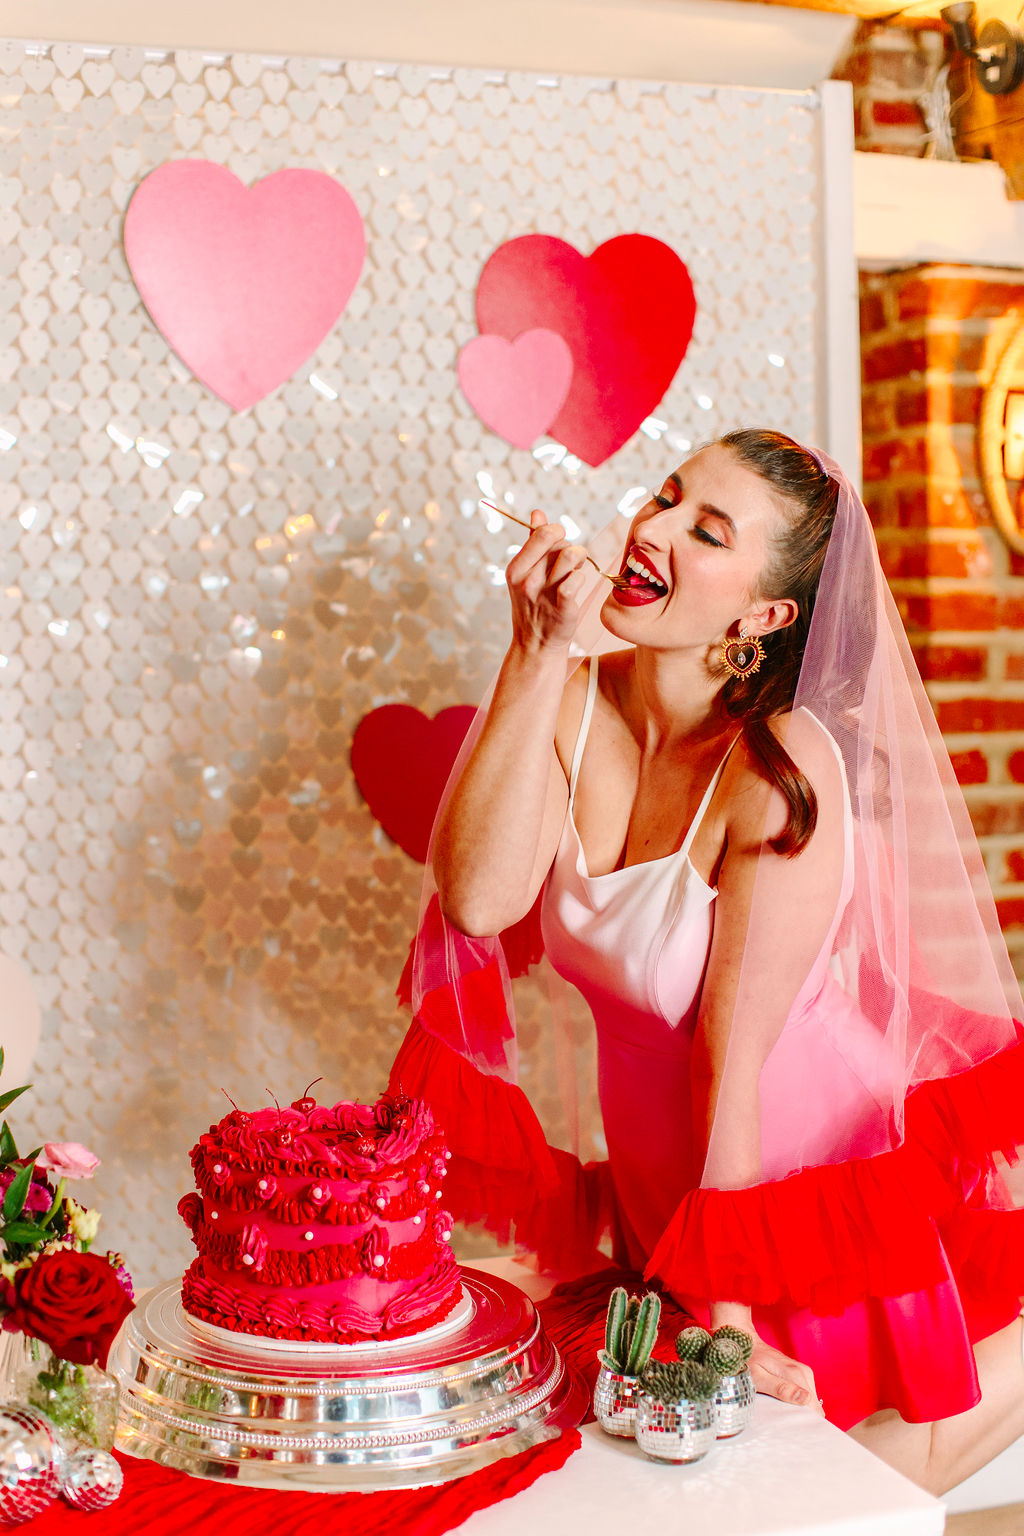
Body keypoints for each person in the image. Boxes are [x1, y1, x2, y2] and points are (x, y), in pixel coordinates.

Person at [391, 429, 1024, 1493]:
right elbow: (479, 898)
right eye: (665, 496)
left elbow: (730, 1066)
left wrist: (726, 1320)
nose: (654, 528)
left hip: (796, 1181)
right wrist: (535, 652)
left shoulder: (779, 768)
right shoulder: (574, 701)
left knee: (802, 1485)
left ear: (762, 618)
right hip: (664, 1180)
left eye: (709, 532)